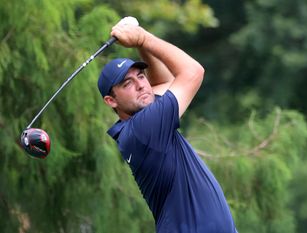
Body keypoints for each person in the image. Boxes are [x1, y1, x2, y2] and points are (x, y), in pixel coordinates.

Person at [97, 17, 238, 233]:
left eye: (141, 76)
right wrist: (143, 38)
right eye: (127, 83)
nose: (140, 86)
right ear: (111, 101)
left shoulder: (137, 125)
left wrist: (141, 46)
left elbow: (162, 84)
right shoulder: (144, 128)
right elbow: (193, 72)